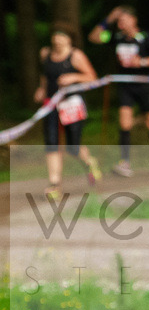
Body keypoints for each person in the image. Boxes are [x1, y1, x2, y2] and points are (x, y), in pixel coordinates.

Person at [88, 6, 149, 177]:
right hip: (125, 86)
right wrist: (109, 18)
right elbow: (94, 37)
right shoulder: (117, 38)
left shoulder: (146, 37)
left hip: (143, 84)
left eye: (124, 19)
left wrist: (143, 62)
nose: (121, 23)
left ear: (134, 20)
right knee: (124, 122)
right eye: (119, 21)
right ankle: (125, 163)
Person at [34, 26, 103, 198]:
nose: (57, 39)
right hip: (51, 104)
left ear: (69, 39)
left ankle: (89, 162)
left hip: (72, 104)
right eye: (55, 35)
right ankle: (54, 185)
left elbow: (92, 77)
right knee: (52, 143)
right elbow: (45, 74)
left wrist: (74, 77)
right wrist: (41, 89)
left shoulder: (76, 56)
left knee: (73, 146)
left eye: (62, 36)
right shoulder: (45, 53)